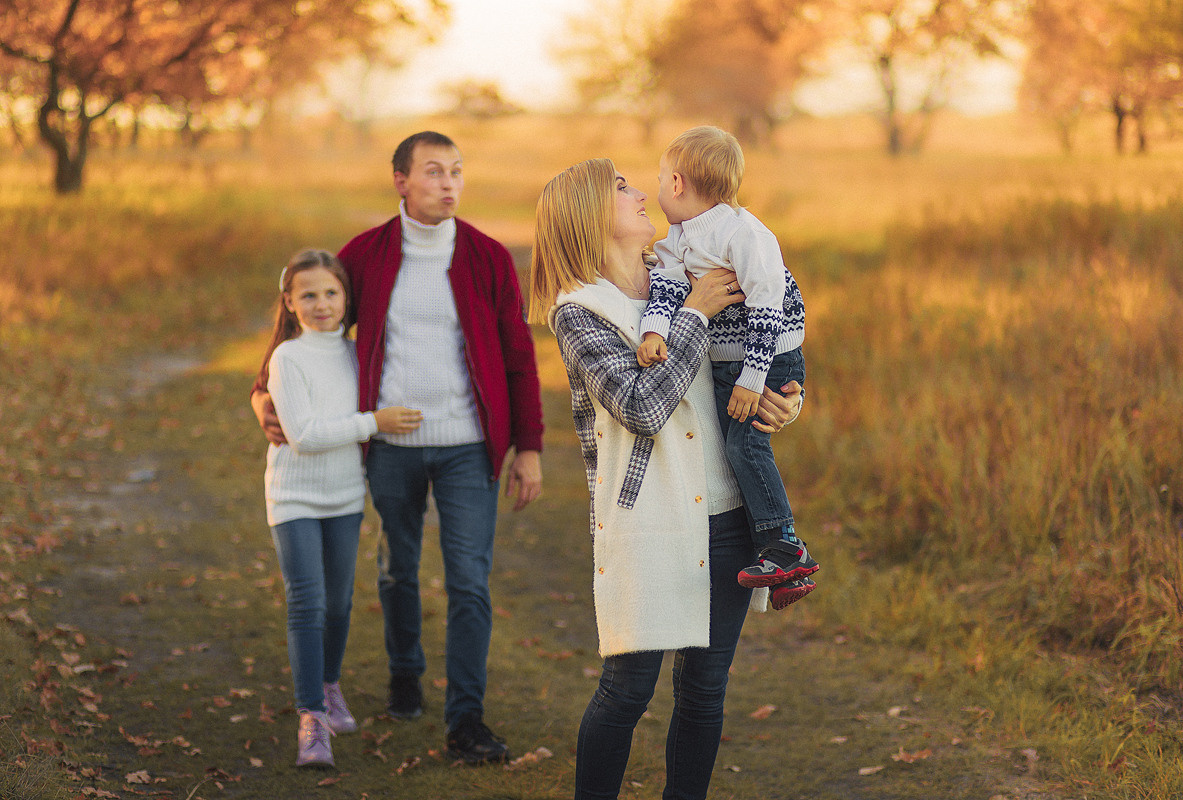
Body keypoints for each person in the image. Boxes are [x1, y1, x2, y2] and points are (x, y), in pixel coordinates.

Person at [252, 132, 544, 764]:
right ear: (401, 181)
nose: (449, 184)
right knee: (396, 567)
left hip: (469, 445)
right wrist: (261, 393)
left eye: (457, 172)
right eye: (434, 172)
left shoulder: (488, 257)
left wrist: (529, 446)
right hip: (390, 445)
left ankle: (465, 720)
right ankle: (404, 674)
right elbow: (308, 317)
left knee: (470, 580)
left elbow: (519, 355)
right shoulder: (366, 254)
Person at [527, 158, 802, 800]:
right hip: (647, 520)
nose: (642, 192)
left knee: (705, 693)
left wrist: (784, 400)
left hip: (727, 513)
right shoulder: (579, 312)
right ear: (589, 215)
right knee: (628, 690)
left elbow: (755, 349)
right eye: (623, 189)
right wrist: (696, 316)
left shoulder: (676, 277)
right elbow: (642, 407)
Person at [636, 126, 817, 608]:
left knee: (745, 445)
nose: (654, 192)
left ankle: (785, 546)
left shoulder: (746, 234)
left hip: (768, 353)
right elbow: (669, 287)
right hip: (726, 360)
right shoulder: (678, 237)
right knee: (734, 450)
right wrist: (654, 331)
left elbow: (767, 311)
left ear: (676, 184)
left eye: (657, 180)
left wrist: (754, 382)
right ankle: (780, 564)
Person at [258, 249, 423, 768]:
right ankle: (310, 718)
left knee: (338, 604)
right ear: (289, 301)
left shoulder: (358, 353)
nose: (322, 303)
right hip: (294, 496)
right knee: (307, 602)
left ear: (346, 298)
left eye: (331, 293)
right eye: (308, 294)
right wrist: (374, 422)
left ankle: (329, 685)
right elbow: (303, 437)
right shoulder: (287, 357)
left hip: (345, 494)